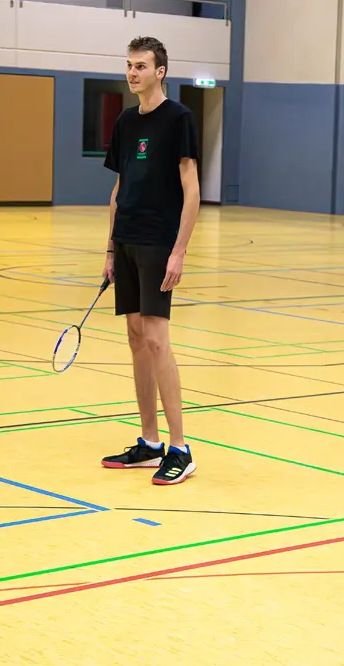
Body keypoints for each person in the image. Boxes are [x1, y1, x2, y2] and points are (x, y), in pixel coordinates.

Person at [98, 36, 201, 486]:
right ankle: (150, 442)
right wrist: (109, 248)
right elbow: (119, 189)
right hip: (126, 240)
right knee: (137, 339)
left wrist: (179, 250)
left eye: (140, 66)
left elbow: (191, 189)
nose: (132, 73)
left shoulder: (179, 118)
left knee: (158, 341)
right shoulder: (125, 121)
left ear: (160, 71)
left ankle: (180, 448)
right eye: (129, 65)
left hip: (159, 242)